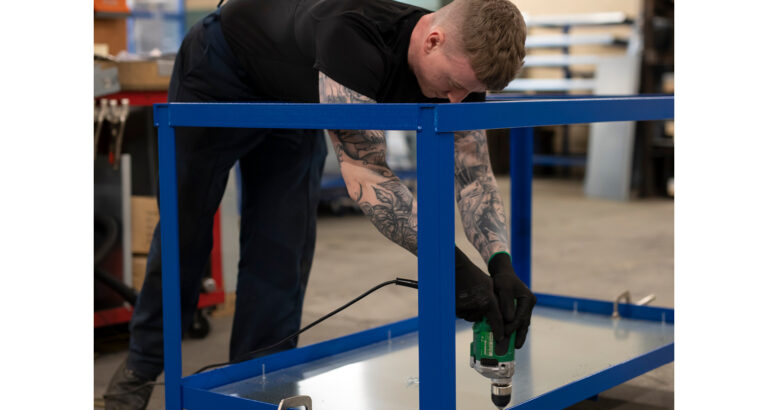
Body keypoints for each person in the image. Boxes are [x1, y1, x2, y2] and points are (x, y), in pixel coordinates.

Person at [104, 0, 535, 408]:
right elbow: (368, 176)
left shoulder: (464, 71)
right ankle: (142, 366)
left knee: (282, 246)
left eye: (470, 91)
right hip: (222, 70)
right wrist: (454, 268)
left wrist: (501, 264)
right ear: (433, 40)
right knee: (186, 231)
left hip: (297, 92)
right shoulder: (355, 38)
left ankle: (256, 383)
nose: (457, 99)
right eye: (455, 84)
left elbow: (473, 175)